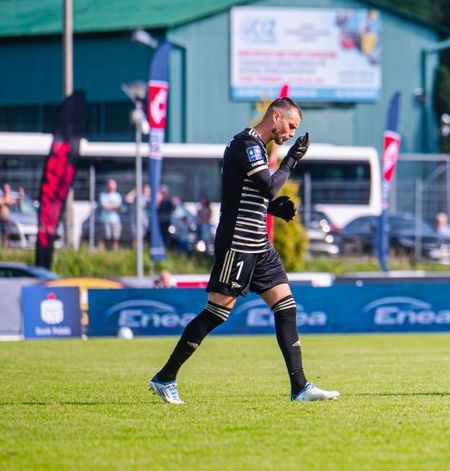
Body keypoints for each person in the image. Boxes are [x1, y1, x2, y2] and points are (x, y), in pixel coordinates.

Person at [149, 97, 339, 404]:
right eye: (290, 126)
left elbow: (247, 193)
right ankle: (165, 377)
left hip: (259, 244)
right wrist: (291, 160)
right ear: (275, 117)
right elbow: (268, 186)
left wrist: (273, 209)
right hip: (238, 243)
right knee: (216, 313)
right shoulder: (246, 143)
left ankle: (300, 388)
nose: (292, 133)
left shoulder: (258, 147)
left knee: (286, 307)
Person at [98, 179, 123, 251]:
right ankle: (101, 252)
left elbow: (119, 207)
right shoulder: (103, 195)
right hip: (105, 219)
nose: (111, 186)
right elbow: (103, 206)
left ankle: (115, 253)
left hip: (115, 219)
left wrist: (109, 206)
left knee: (116, 238)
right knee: (104, 237)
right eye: (110, 184)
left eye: (113, 184)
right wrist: (113, 206)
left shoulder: (118, 196)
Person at [0, 183, 13, 249]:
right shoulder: (1, 198)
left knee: (6, 234)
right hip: (1, 219)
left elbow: (16, 202)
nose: (6, 190)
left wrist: (21, 196)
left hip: (6, 219)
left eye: (7, 188)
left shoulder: (10, 198)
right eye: (5, 188)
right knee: (2, 235)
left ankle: (4, 247)